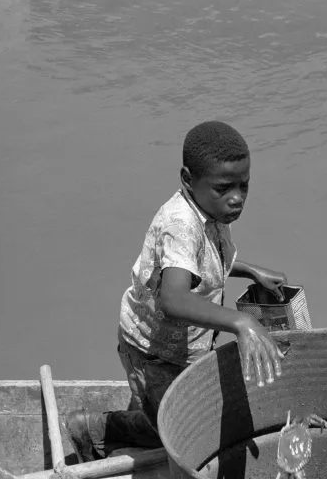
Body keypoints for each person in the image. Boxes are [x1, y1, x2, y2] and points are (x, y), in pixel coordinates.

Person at [64, 121, 288, 461]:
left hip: (187, 344)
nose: (237, 198)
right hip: (155, 351)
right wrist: (242, 322)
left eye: (244, 185)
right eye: (224, 188)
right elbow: (173, 298)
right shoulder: (181, 224)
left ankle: (115, 428)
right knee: (178, 429)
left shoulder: (211, 212)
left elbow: (201, 267)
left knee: (180, 418)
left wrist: (249, 271)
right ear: (187, 180)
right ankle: (92, 429)